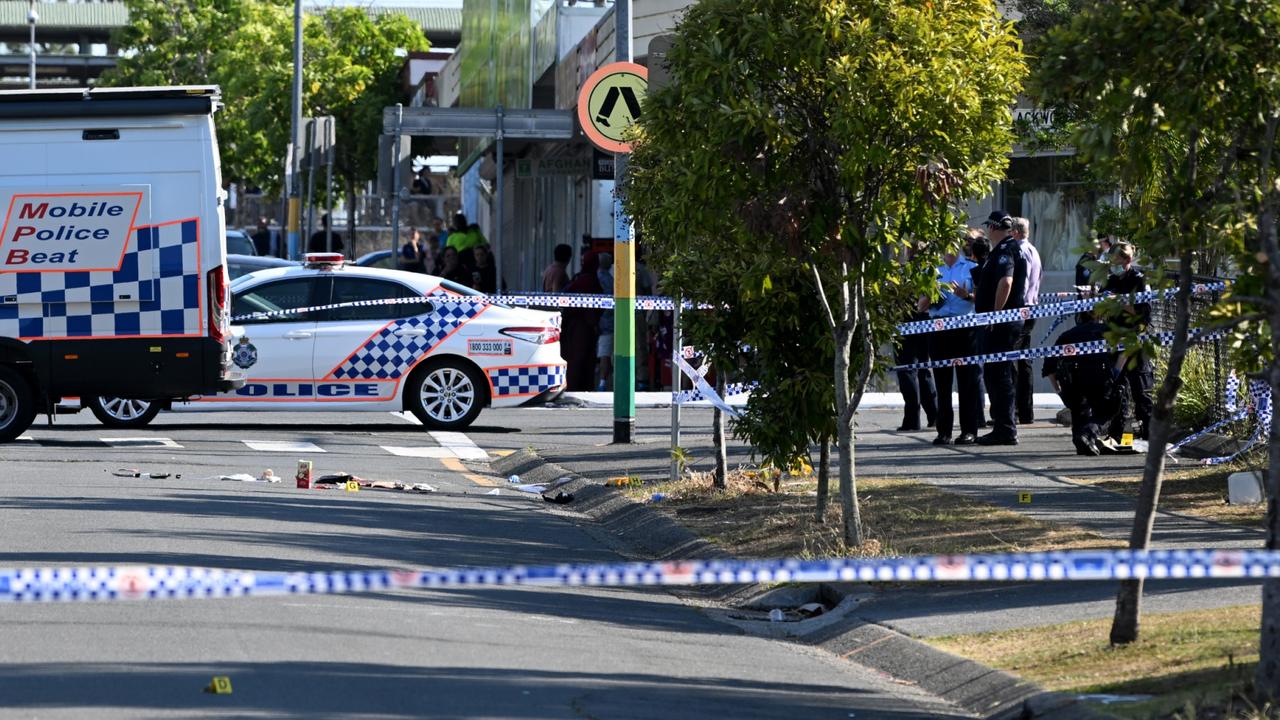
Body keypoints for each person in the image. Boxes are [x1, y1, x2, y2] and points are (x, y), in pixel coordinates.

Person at [974, 210, 1028, 446]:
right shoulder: (1006, 249)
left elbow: (1006, 282)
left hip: (1002, 324)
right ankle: (1002, 425)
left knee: (1000, 375)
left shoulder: (1007, 250)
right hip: (1001, 322)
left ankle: (1005, 428)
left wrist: (995, 316)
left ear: (994, 228)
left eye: (989, 227)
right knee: (996, 374)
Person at [923, 234, 981, 445]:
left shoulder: (971, 267)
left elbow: (981, 298)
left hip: (964, 327)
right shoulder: (932, 269)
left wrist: (967, 295)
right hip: (939, 328)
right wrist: (931, 295)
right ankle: (943, 430)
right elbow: (920, 305)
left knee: (967, 381)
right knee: (942, 381)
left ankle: (969, 430)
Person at [1043, 312, 1122, 455]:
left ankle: (1082, 441)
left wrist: (1059, 390)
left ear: (1079, 317)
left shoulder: (1067, 335)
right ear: (1099, 316)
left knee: (1079, 411)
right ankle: (1088, 433)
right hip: (1100, 378)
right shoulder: (1109, 331)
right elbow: (1124, 353)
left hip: (1073, 381)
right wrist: (1115, 374)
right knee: (1107, 411)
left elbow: (1049, 366)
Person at [1101, 241, 1154, 440]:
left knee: (1140, 387)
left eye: (1116, 260)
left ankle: (1148, 431)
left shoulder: (1139, 280)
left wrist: (1120, 302)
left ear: (1127, 260)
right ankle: (1116, 433)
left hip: (1134, 337)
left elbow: (1143, 313)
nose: (1113, 264)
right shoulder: (1110, 279)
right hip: (1114, 336)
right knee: (1117, 386)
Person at [895, 243, 938, 432]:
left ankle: (912, 418)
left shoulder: (905, 273)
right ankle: (934, 414)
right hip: (927, 322)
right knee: (924, 368)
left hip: (908, 321)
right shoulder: (933, 271)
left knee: (907, 369)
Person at [1012, 217, 1042, 425]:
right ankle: (1026, 411)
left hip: (1021, 308)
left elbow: (1022, 282)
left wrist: (1016, 305)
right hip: (1031, 306)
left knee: (1014, 360)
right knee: (1024, 361)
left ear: (1014, 232)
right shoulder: (1034, 250)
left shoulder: (1021, 251)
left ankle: (1014, 409)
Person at [561, 251, 604, 391]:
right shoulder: (589, 280)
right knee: (580, 357)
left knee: (578, 357)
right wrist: (593, 324)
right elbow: (589, 307)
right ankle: (577, 386)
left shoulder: (580, 278)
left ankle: (576, 385)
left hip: (576, 325)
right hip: (582, 327)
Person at [596, 253, 615, 391]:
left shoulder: (596, 277)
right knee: (606, 354)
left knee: (603, 353)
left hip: (599, 322)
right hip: (608, 323)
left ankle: (601, 382)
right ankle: (603, 382)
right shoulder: (609, 279)